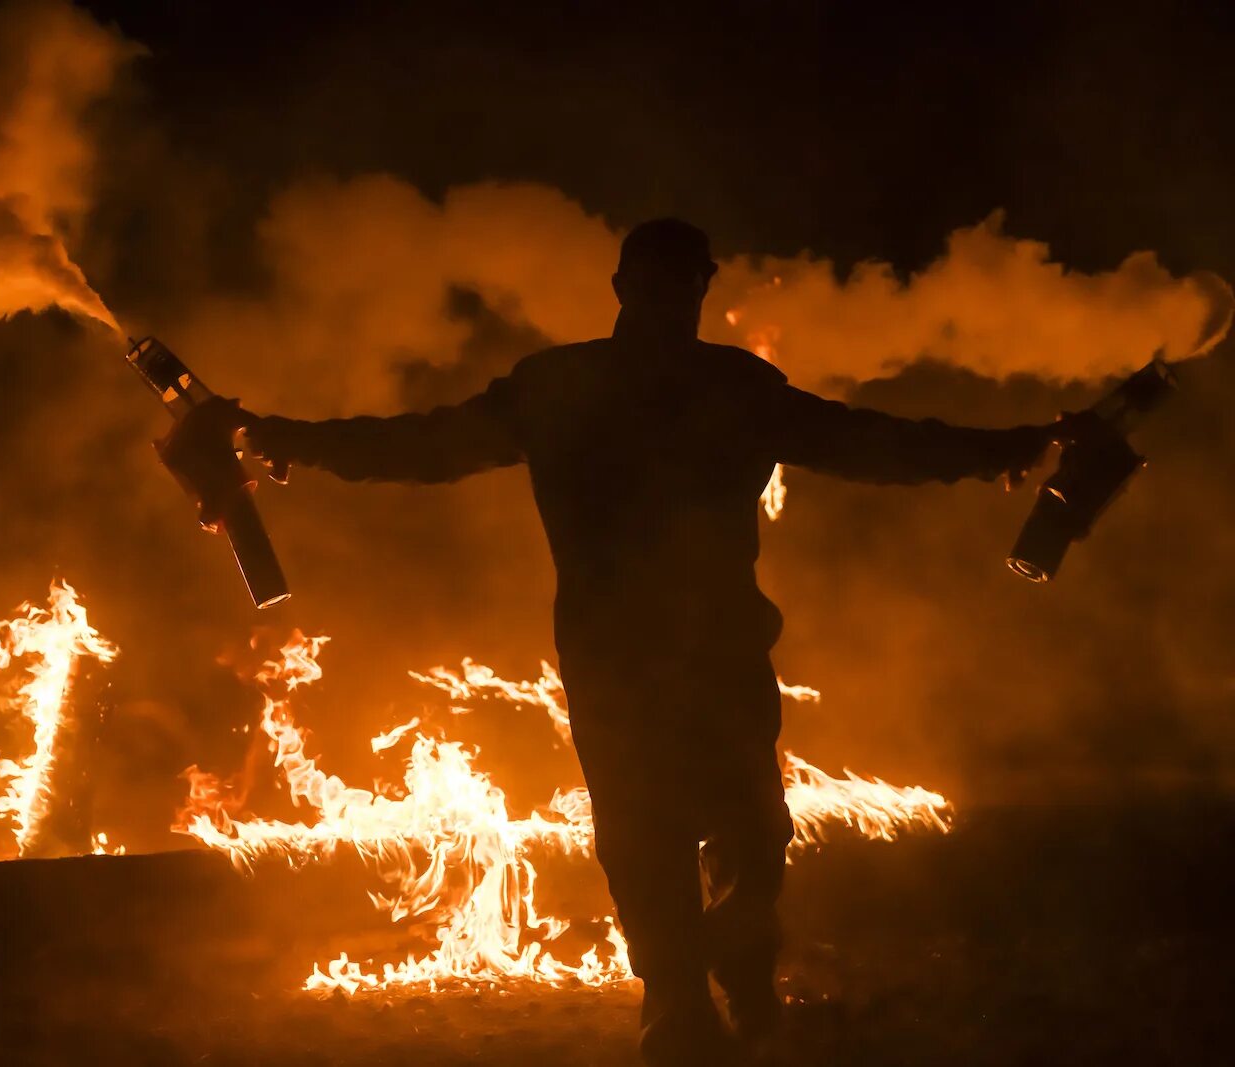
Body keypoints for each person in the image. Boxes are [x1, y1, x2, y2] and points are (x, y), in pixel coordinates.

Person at [187, 219, 1057, 1064]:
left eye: (670, 282)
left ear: (654, 288)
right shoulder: (659, 387)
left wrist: (281, 436)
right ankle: (693, 997)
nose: (667, 296)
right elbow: (877, 444)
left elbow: (422, 446)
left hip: (658, 649)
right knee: (701, 829)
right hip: (665, 649)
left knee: (703, 832)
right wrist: (1000, 448)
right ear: (663, 288)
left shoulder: (634, 386)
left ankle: (714, 983)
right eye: (666, 282)